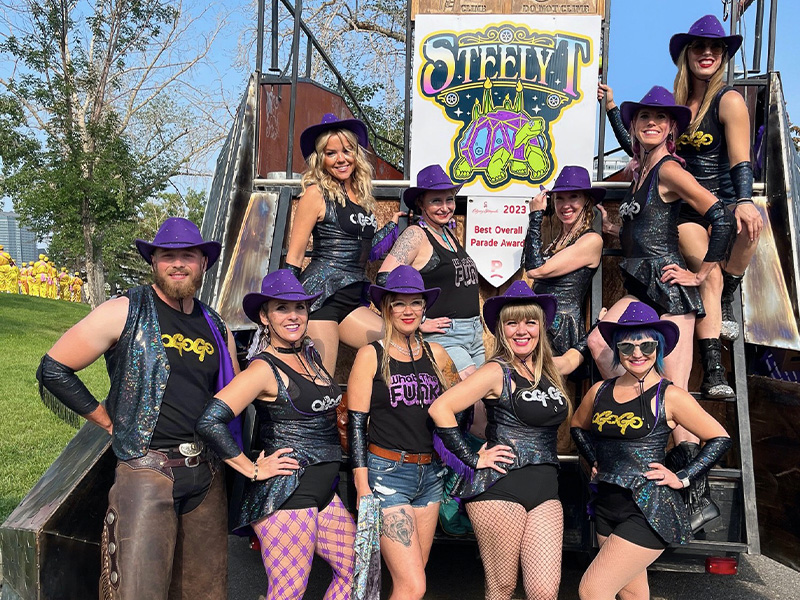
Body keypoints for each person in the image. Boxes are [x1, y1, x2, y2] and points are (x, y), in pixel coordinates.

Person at [37, 217, 238, 600]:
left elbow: (235, 395)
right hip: (147, 474)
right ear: (153, 262)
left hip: (206, 478)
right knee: (136, 592)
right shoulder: (125, 310)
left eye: (188, 255)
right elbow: (53, 369)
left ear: (203, 263)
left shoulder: (215, 324)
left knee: (207, 593)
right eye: (167, 255)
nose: (177, 263)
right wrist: (105, 420)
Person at [599, 14, 761, 399]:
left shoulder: (728, 99)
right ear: (686, 54)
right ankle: (712, 366)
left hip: (720, 200)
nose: (707, 52)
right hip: (684, 211)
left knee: (744, 232)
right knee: (708, 270)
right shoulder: (677, 106)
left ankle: (722, 314)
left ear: (723, 55)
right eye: (699, 46)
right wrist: (612, 108)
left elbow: (741, 160)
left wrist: (743, 200)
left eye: (715, 47)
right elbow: (642, 144)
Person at [197, 269, 355, 600]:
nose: (293, 316)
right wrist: (253, 468)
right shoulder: (262, 368)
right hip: (287, 494)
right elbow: (210, 421)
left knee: (355, 571)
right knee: (289, 591)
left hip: (323, 491)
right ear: (265, 317)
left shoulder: (309, 355)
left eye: (300, 307)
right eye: (282, 308)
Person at [571, 302, 731, 600]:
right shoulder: (600, 391)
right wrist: (594, 459)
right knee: (632, 593)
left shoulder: (671, 396)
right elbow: (578, 427)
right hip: (606, 505)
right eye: (627, 346)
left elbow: (719, 438)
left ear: (658, 347)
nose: (637, 353)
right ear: (617, 349)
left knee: (593, 589)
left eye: (646, 345)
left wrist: (683, 477)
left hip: (649, 510)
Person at [430, 281, 577, 600]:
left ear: (541, 326)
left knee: (544, 593)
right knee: (502, 588)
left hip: (546, 490)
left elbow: (573, 358)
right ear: (500, 329)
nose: (521, 330)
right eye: (512, 323)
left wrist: (598, 332)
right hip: (500, 488)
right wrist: (472, 459)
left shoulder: (549, 368)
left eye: (530, 322)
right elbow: (440, 408)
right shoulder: (497, 371)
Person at [586, 86, 735, 393]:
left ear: (670, 128)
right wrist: (614, 229)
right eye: (644, 116)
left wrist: (700, 275)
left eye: (660, 117)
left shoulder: (668, 170)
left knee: (674, 389)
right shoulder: (643, 168)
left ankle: (669, 417)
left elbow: (721, 217)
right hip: (641, 284)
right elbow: (647, 224)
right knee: (599, 341)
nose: (651, 122)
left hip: (669, 288)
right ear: (634, 125)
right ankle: (641, 401)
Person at [347, 265, 459, 600]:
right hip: (387, 474)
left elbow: (460, 407)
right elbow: (356, 423)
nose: (408, 311)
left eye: (415, 303)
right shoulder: (371, 355)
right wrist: (361, 485)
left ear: (424, 307)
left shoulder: (437, 355)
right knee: (414, 585)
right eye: (399, 303)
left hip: (430, 476)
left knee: (411, 581)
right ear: (387, 308)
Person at [285, 113, 404, 374]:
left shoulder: (362, 196)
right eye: (331, 153)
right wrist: (285, 307)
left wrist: (392, 227)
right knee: (322, 381)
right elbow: (294, 257)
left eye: (347, 150)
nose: (341, 159)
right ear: (321, 158)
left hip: (352, 300)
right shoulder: (315, 194)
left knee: (397, 344)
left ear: (356, 154)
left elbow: (366, 250)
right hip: (321, 300)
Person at [378, 164, 483, 380]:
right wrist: (419, 321)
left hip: (474, 334)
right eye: (436, 201)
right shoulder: (415, 234)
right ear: (421, 203)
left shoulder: (447, 233)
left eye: (449, 200)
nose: (445, 207)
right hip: (445, 336)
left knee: (486, 394)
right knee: (471, 389)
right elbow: (383, 279)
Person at [522, 165, 604, 369]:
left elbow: (535, 270)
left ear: (587, 200)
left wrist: (535, 216)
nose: (566, 205)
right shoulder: (558, 239)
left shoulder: (591, 240)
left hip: (560, 328)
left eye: (573, 197)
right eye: (560, 198)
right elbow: (530, 262)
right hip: (540, 322)